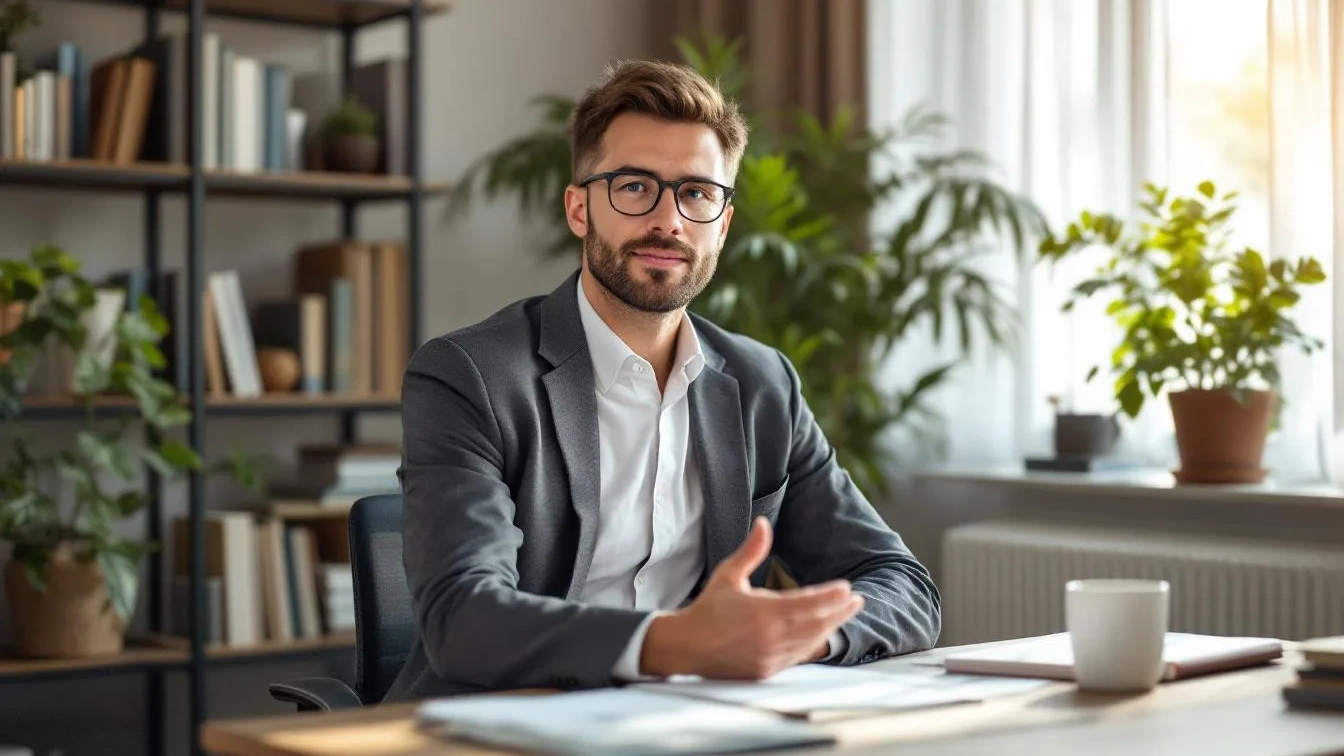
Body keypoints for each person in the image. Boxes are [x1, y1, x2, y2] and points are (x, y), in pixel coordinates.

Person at [383, 58, 941, 702]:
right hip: (497, 723)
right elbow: (463, 618)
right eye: (633, 186)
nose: (669, 221)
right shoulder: (470, 375)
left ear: (723, 223)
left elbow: (900, 583)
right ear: (579, 208)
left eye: (697, 193)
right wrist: (678, 643)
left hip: (690, 721)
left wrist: (795, 640)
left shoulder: (763, 385)